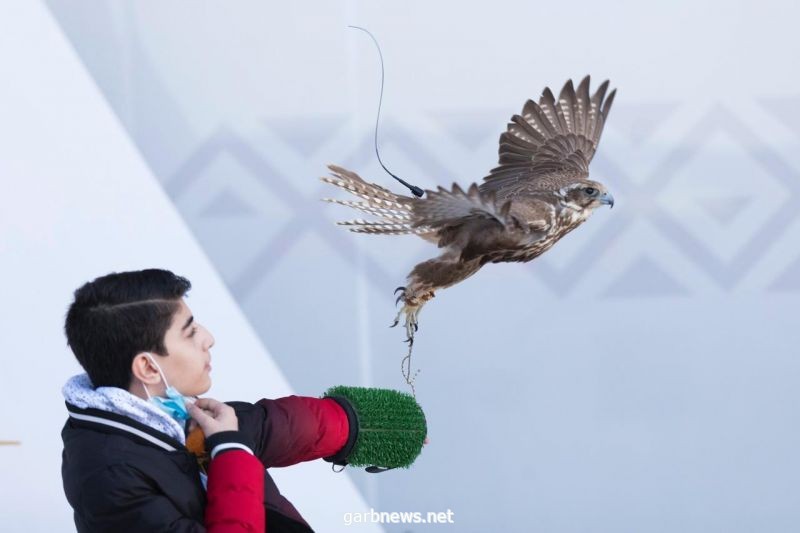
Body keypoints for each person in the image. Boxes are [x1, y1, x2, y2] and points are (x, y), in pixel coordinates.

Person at [61, 269, 356, 532]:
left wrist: (354, 424)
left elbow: (271, 427)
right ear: (149, 368)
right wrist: (230, 453)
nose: (208, 338)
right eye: (189, 333)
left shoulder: (172, 416)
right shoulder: (110, 478)